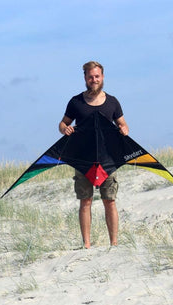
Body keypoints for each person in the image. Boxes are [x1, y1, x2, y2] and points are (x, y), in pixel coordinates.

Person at [58, 61, 129, 249]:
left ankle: (114, 243)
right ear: (85, 78)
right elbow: (62, 124)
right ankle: (87, 244)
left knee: (110, 201)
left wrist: (124, 130)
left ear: (102, 77)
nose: (94, 80)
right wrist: (65, 129)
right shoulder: (76, 102)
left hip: (108, 160)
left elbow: (123, 124)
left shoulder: (112, 101)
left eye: (97, 76)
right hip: (83, 159)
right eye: (90, 77)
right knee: (85, 201)